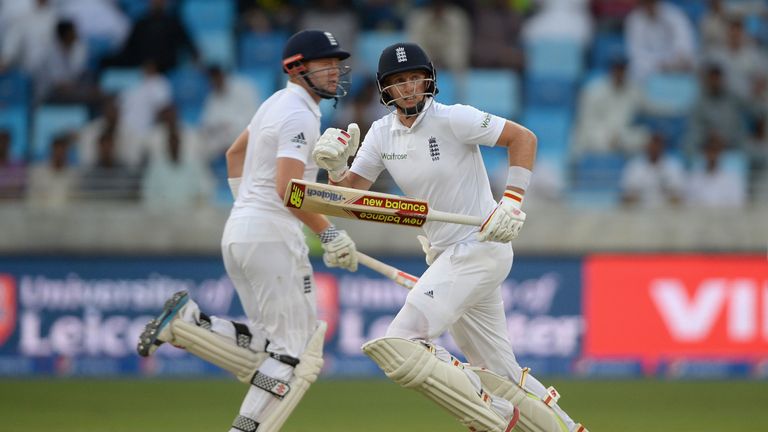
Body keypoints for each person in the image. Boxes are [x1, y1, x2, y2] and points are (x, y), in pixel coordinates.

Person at [312, 42, 588, 432]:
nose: (408, 88)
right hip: (444, 257)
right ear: (385, 89)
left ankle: (492, 414)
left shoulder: (454, 118)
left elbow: (523, 138)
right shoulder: (380, 134)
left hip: (481, 246)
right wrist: (336, 171)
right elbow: (349, 201)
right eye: (398, 82)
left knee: (402, 339)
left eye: (414, 79)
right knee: (501, 372)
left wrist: (510, 202)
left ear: (429, 81)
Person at [135, 30, 359, 432]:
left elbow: (233, 154)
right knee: (294, 353)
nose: (334, 71)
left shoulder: (274, 102)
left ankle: (193, 322)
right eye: (325, 63)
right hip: (270, 237)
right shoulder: (298, 113)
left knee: (269, 343)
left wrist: (245, 206)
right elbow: (289, 190)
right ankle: (243, 426)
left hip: (242, 233)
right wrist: (328, 233)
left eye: (336, 63)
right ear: (297, 68)